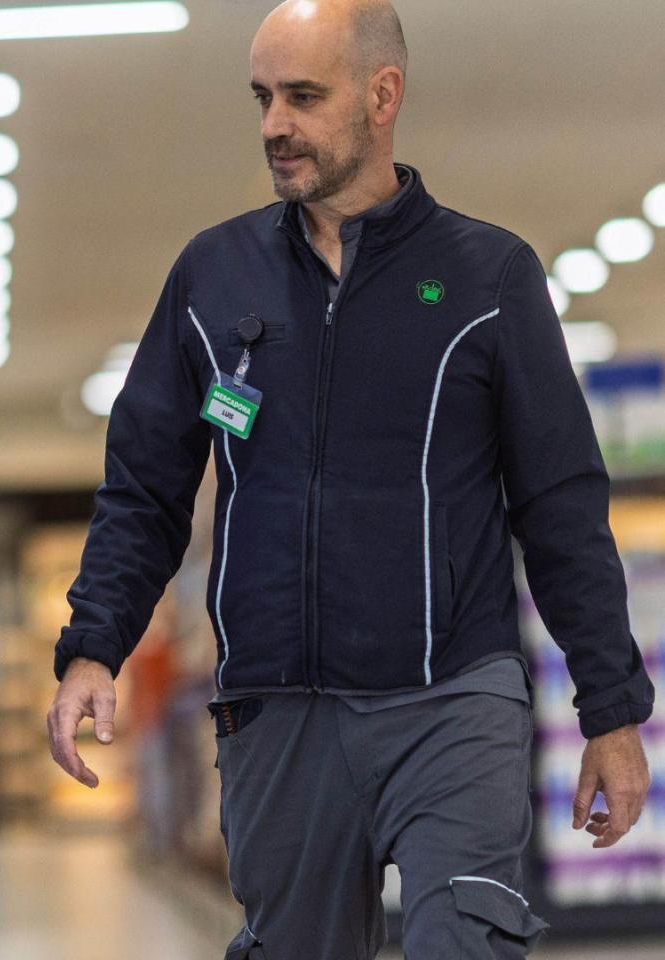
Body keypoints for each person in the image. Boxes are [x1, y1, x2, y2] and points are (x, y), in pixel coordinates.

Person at [46, 2, 653, 958]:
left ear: (383, 96)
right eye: (262, 98)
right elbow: (144, 490)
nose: (274, 124)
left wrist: (611, 711)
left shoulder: (486, 277)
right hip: (277, 712)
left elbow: (560, 505)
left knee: (467, 942)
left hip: (452, 696)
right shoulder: (214, 275)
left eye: (302, 96)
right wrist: (93, 648)